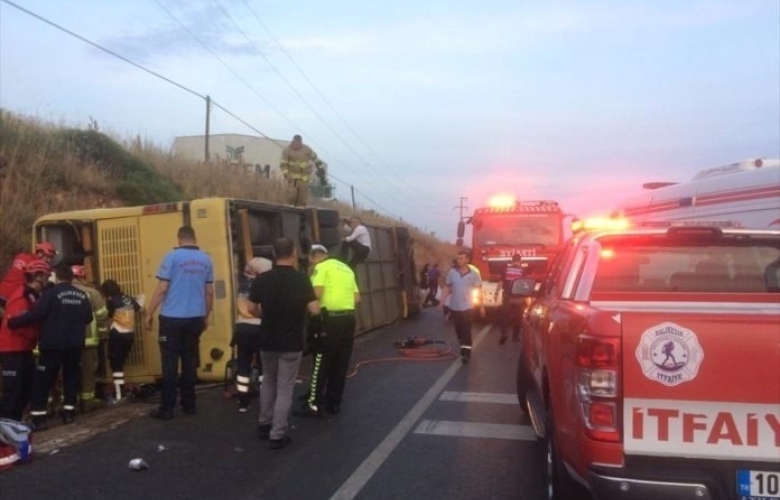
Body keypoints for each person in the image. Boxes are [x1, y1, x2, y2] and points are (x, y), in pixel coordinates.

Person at [247, 237, 319, 450]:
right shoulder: (301, 280)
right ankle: (277, 434)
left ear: (274, 254)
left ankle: (263, 423)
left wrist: (265, 314)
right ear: (294, 253)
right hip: (291, 341)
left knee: (268, 381)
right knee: (285, 387)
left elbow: (251, 309)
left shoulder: (262, 279)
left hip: (267, 339)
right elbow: (314, 309)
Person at [8, 265, 93, 429]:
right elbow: (88, 318)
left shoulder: (50, 294)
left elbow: (37, 314)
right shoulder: (82, 296)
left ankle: (38, 418)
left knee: (44, 379)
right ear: (70, 278)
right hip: (74, 344)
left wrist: (13, 322)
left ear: (58, 277)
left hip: (52, 344)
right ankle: (69, 412)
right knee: (71, 377)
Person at [144, 226, 214, 420]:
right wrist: (206, 315)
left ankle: (167, 408)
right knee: (190, 361)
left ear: (179, 239)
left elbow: (162, 288)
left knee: (170, 363)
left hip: (172, 319)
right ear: (194, 238)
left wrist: (149, 313)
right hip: (195, 318)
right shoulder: (206, 259)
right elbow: (209, 292)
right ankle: (189, 405)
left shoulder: (171, 257)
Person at [297, 244, 360, 417]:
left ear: (315, 257)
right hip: (348, 319)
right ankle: (334, 403)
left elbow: (315, 294)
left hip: (329, 320)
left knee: (320, 360)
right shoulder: (347, 268)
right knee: (341, 362)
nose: (310, 266)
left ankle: (313, 404)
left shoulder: (322, 267)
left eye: (310, 262)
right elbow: (357, 297)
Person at [0, 260, 49, 421]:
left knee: (26, 388)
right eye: (45, 276)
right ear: (37, 276)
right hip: (13, 350)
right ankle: (6, 425)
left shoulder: (32, 296)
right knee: (13, 392)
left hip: (23, 349)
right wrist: (36, 334)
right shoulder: (21, 297)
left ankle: (13, 423)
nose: (47, 280)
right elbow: (15, 323)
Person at [232, 257, 273, 413]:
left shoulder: (242, 285)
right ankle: (266, 400)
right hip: (259, 328)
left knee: (243, 364)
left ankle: (243, 401)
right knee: (264, 365)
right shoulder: (261, 286)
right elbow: (258, 308)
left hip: (242, 329)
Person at [71, 265, 109, 412]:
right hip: (89, 340)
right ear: (82, 277)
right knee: (88, 371)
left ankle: (70, 402)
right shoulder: (92, 293)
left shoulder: (61, 293)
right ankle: (87, 403)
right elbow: (102, 316)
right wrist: (103, 336)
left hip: (68, 341)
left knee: (70, 371)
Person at [100, 279, 141, 404]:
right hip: (130, 335)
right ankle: (121, 392)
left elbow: (108, 317)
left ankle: (119, 395)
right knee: (120, 363)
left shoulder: (111, 302)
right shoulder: (129, 299)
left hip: (117, 335)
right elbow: (138, 308)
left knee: (116, 365)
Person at [439, 250, 482, 362]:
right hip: (455, 306)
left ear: (467, 260)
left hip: (468, 306)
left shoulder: (474, 274)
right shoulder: (452, 272)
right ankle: (462, 342)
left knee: (466, 329)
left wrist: (481, 306)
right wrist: (441, 301)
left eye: (462, 258)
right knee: (458, 329)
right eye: (458, 258)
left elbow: (479, 290)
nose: (459, 260)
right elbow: (447, 287)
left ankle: (466, 353)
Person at [0, 242, 56, 310]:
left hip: (2, 291)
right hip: (13, 297)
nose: (49, 260)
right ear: (40, 253)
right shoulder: (36, 264)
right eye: (47, 257)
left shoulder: (21, 256)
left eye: (51, 258)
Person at [279, 134, 325, 207]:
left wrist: (321, 168)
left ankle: (300, 214)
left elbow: (316, 159)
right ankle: (289, 213)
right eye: (295, 143)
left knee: (302, 200)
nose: (296, 145)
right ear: (292, 141)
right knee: (291, 197)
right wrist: (286, 174)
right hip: (292, 179)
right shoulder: (287, 150)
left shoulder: (307, 149)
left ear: (301, 142)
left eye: (298, 143)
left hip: (304, 180)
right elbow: (283, 164)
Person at [499, 254, 526, 344]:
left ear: (512, 260)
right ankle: (515, 337)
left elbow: (500, 282)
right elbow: (524, 284)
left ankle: (504, 334)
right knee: (518, 318)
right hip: (518, 299)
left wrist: (496, 293)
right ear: (520, 261)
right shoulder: (523, 271)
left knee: (504, 317)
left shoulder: (506, 269)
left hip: (507, 297)